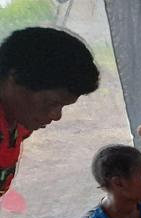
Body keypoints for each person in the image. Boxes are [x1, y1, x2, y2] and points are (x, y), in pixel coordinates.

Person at [0, 27, 99, 201]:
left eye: (62, 106)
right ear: (15, 78)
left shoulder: (19, 120)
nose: (56, 116)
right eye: (51, 103)